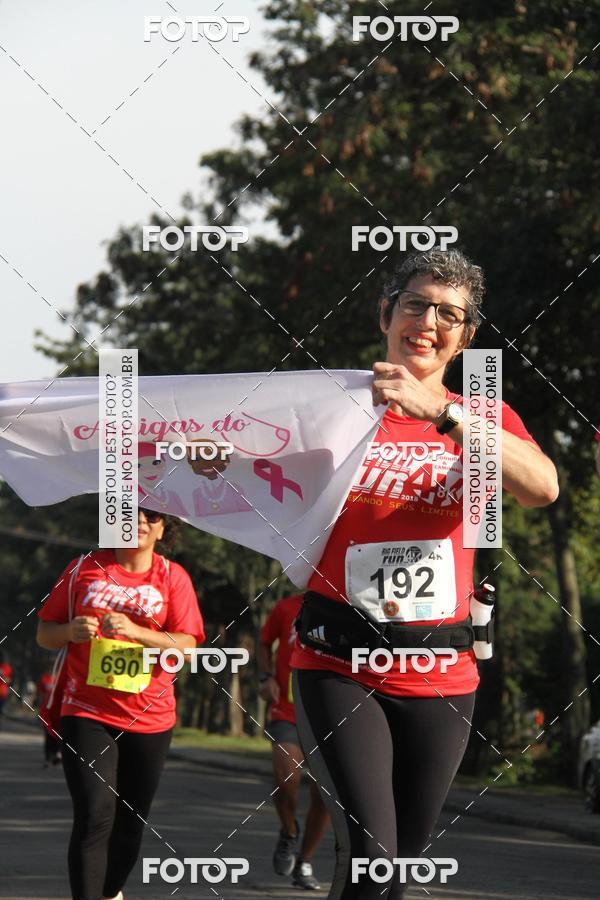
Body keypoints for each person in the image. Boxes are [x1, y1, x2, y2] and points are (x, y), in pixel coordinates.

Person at [291, 249, 559, 899]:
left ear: (465, 338)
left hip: (442, 675)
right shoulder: (328, 407)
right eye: (415, 304)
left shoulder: (485, 419)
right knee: (372, 860)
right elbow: (249, 466)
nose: (428, 322)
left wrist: (445, 415)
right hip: (338, 665)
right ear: (386, 314)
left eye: (449, 314)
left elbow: (542, 487)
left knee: (397, 872)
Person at [37, 508, 205, 900]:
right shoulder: (84, 568)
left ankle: (111, 892)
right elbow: (45, 633)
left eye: (154, 515)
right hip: (86, 710)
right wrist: (70, 630)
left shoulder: (172, 577)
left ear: (166, 527)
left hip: (150, 717)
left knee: (130, 825)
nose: (142, 520)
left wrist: (137, 632)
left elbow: (189, 647)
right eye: (134, 512)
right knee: (95, 815)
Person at [259, 594, 329, 890]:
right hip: (287, 710)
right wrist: (264, 676)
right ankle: (289, 832)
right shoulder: (288, 606)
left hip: (329, 714)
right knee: (285, 778)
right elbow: (264, 642)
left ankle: (305, 861)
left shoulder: (350, 610)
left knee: (325, 794)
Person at [36, 669, 62, 766]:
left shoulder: (61, 677)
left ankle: (57, 754)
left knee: (58, 733)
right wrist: (39, 709)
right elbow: (40, 695)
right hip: (46, 710)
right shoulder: (44, 678)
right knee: (48, 733)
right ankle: (48, 756)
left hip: (58, 710)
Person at [0, 651, 13, 725]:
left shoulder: (7, 667)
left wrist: (6, 679)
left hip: (2, 692)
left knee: (1, 708)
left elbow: (10, 679)